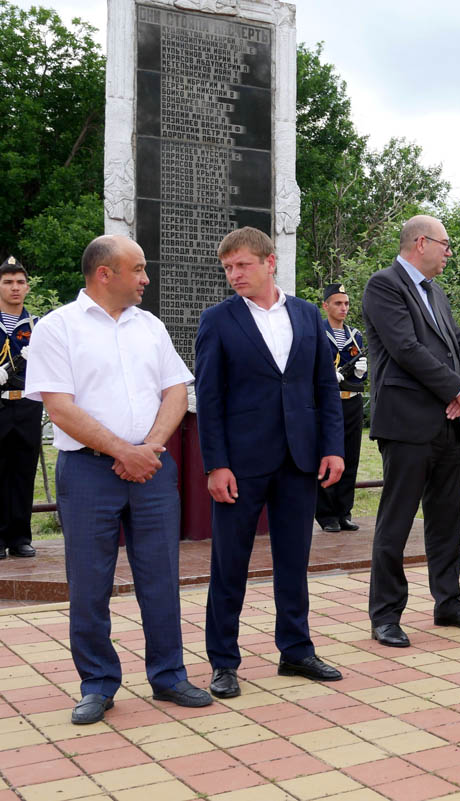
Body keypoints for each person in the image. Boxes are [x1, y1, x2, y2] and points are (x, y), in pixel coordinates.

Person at [24, 235, 212, 724]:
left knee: (160, 577)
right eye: (139, 269)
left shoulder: (148, 325)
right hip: (88, 471)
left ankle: (169, 676)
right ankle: (98, 683)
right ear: (104, 273)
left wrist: (147, 449)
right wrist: (123, 451)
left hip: (150, 468)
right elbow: (59, 406)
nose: (147, 278)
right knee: (89, 583)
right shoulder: (58, 328)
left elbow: (175, 390)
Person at [194, 227, 346, 700]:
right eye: (228, 268)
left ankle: (296, 650)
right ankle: (223, 661)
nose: (234, 275)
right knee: (229, 565)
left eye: (242, 265)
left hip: (299, 459)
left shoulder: (305, 314)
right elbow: (209, 397)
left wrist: (333, 447)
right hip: (240, 463)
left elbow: (324, 387)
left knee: (293, 560)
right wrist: (215, 464)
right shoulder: (217, 320)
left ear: (269, 262)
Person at [361, 214, 460, 648]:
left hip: (447, 422)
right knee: (396, 520)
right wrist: (456, 388)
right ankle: (386, 614)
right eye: (445, 244)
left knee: (446, 518)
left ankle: (448, 602)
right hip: (406, 422)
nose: (449, 252)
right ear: (420, 242)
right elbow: (405, 349)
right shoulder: (384, 285)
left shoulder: (437, 293)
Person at [316, 283, 367, 533]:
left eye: (346, 303)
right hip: (328, 402)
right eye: (338, 303)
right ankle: (326, 514)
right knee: (328, 454)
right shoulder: (318, 332)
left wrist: (361, 372)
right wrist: (327, 375)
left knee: (350, 456)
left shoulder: (355, 335)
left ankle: (344, 511)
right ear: (326, 306)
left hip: (352, 401)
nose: (343, 308)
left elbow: (360, 375)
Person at [0, 256, 41, 559]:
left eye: (19, 282)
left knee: (23, 472)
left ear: (27, 287)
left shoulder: (39, 326)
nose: (15, 288)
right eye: (7, 282)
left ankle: (19, 537)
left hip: (26, 406)